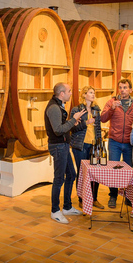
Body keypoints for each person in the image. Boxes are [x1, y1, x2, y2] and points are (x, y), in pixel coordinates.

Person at [45, 82, 87, 224]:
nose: (71, 93)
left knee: (71, 175)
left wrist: (71, 123)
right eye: (69, 91)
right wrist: (73, 120)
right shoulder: (54, 108)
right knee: (59, 179)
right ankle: (55, 211)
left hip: (63, 145)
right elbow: (57, 130)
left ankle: (67, 207)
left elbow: (62, 126)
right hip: (58, 147)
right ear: (61, 93)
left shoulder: (59, 105)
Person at [101, 78, 133, 208]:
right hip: (115, 142)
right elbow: (102, 119)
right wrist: (112, 109)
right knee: (113, 169)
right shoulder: (111, 102)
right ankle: (113, 196)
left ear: (130, 90)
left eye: (125, 87)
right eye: (120, 87)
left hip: (130, 143)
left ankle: (128, 196)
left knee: (128, 170)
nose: (122, 90)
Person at [70, 86, 103, 210]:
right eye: (90, 92)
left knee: (96, 173)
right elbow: (72, 128)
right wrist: (86, 123)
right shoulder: (76, 110)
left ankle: (94, 199)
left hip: (94, 145)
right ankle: (82, 199)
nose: (93, 94)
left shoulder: (96, 110)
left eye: (94, 92)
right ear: (84, 95)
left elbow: (98, 128)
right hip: (80, 145)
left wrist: (99, 145)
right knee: (82, 173)